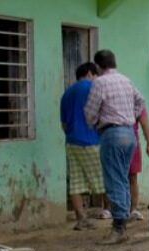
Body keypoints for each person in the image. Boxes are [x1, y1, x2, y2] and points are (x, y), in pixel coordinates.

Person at [84, 49, 149, 244]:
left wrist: (95, 122)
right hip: (129, 134)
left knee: (113, 180)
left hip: (111, 133)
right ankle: (124, 215)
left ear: (98, 66)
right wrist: (128, 116)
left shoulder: (99, 83)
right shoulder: (126, 80)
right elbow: (141, 102)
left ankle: (119, 227)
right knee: (123, 177)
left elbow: (90, 112)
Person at [61, 62, 104, 231]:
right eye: (96, 75)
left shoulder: (67, 93)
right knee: (106, 179)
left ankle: (81, 218)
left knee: (76, 182)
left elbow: (63, 124)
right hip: (92, 140)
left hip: (72, 142)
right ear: (89, 73)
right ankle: (119, 216)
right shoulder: (94, 89)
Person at [128, 106, 149, 221]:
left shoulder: (136, 100)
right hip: (123, 141)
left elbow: (144, 123)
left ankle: (133, 209)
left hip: (132, 142)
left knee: (132, 176)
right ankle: (120, 210)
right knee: (127, 178)